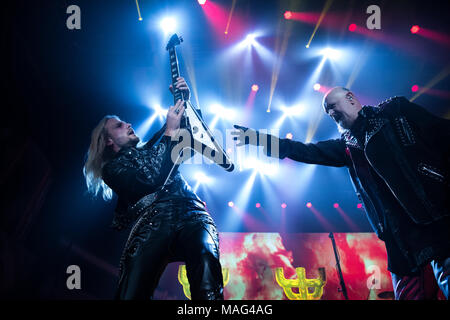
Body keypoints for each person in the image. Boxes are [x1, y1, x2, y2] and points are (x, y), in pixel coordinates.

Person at [232, 87, 450, 300]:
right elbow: (306, 151)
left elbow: (441, 132)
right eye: (327, 112)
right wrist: (260, 139)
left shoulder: (395, 112)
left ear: (351, 99)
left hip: (435, 219)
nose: (331, 114)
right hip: (402, 242)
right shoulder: (348, 146)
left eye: (333, 107)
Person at [83, 78, 224, 300]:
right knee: (132, 294)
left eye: (125, 122)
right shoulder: (112, 169)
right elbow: (149, 179)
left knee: (206, 266)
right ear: (108, 141)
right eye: (119, 125)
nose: (128, 124)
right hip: (152, 222)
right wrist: (169, 131)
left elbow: (193, 134)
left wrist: (185, 101)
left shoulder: (153, 145)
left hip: (192, 213)